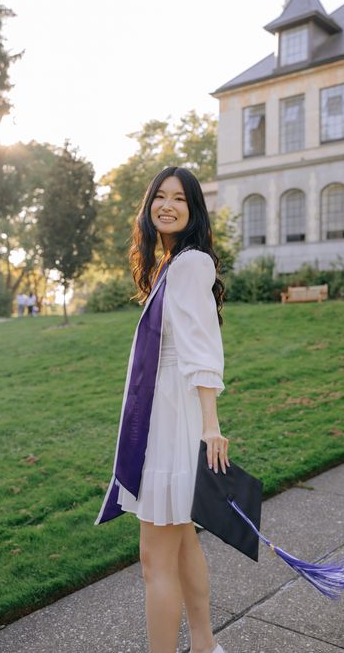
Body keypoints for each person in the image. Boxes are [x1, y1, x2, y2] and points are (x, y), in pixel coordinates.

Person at [95, 167, 229, 653]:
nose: (167, 205)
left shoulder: (190, 264)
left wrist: (210, 427)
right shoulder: (172, 264)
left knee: (155, 561)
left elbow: (201, 348)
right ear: (149, 205)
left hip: (174, 418)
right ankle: (206, 645)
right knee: (184, 541)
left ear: (193, 210)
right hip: (170, 412)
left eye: (179, 199)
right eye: (160, 197)